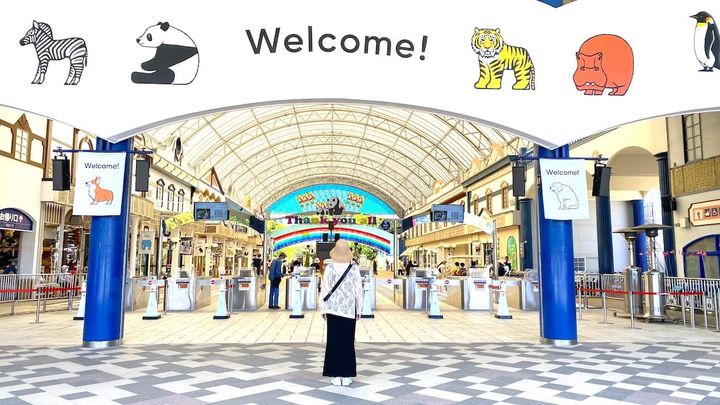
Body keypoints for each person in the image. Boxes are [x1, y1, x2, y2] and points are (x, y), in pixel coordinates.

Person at [320, 240, 363, 386]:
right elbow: (358, 290)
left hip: (332, 310)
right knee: (347, 342)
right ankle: (346, 375)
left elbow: (325, 289)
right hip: (349, 310)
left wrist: (323, 308)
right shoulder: (354, 269)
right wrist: (359, 309)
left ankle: (335, 375)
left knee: (333, 342)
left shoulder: (329, 268)